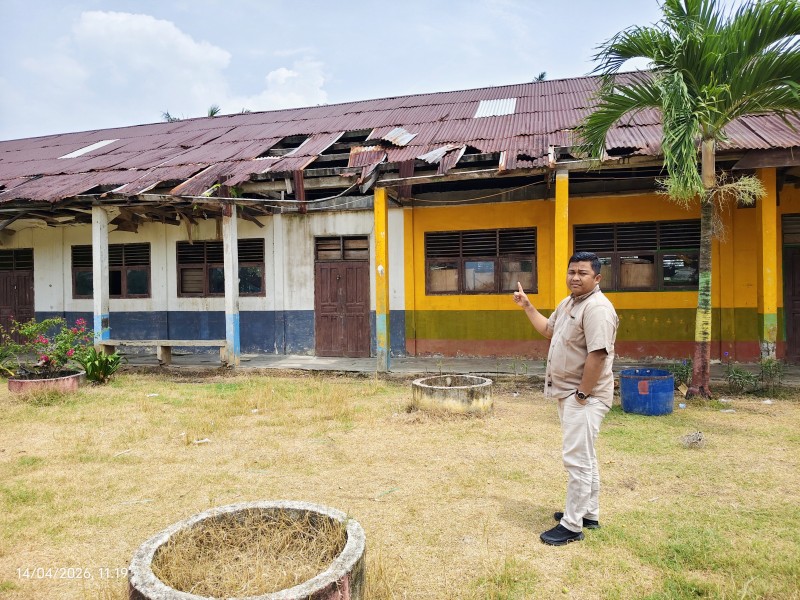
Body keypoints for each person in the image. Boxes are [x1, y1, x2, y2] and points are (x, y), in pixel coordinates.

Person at [513, 251, 618, 546]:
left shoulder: (597, 308)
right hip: (571, 393)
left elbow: (598, 354)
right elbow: (549, 330)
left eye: (582, 273)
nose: (575, 277)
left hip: (584, 395)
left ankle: (572, 526)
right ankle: (588, 513)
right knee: (586, 456)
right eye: (572, 271)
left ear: (597, 278)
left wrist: (583, 394)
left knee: (577, 460)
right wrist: (528, 306)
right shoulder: (569, 302)